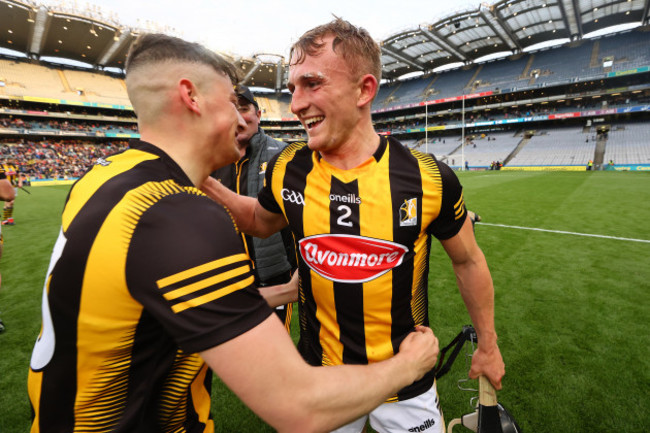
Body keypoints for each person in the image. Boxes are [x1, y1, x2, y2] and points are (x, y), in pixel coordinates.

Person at [27, 33, 440, 433]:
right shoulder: (178, 216)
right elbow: (300, 408)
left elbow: (160, 309)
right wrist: (410, 365)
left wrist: (283, 292)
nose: (242, 120)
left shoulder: (104, 178)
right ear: (192, 97)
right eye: (231, 102)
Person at [202, 18, 504, 433]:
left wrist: (487, 345)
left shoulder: (427, 178)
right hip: (320, 376)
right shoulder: (288, 167)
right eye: (293, 88)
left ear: (364, 89)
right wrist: (202, 180)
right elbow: (258, 220)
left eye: (312, 83)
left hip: (407, 381)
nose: (295, 103)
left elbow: (469, 261)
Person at [211, 85, 296, 330]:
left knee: (273, 353)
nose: (239, 116)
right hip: (229, 275)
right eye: (231, 109)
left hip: (275, 277)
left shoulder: (283, 155)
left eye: (244, 108)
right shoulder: (213, 158)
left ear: (258, 115)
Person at [0, 165, 16, 332]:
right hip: (5, 187)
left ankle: (8, 219)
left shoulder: (12, 166)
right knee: (9, 200)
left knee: (10, 203)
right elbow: (7, 193)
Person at [1, 158, 19, 225]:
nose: (10, 160)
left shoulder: (15, 167)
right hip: (5, 187)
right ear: (6, 160)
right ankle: (9, 219)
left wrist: (20, 182)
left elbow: (18, 175)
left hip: (14, 187)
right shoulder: (1, 166)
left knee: (9, 203)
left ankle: (5, 220)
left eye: (11, 159)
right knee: (10, 202)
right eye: (9, 159)